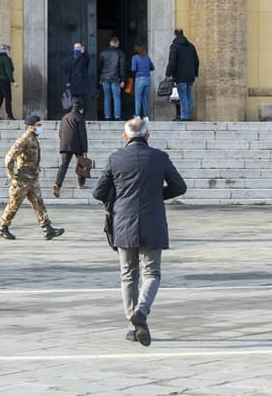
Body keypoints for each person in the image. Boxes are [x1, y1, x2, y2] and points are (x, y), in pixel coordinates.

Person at [93, 117, 187, 347]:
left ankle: (132, 325)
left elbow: (98, 192)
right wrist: (156, 194)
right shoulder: (159, 157)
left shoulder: (115, 158)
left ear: (125, 136)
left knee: (128, 274)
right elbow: (179, 187)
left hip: (124, 221)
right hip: (152, 220)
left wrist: (120, 197)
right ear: (147, 136)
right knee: (152, 273)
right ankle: (142, 311)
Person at [0, 115, 64, 241]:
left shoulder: (33, 139)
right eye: (38, 125)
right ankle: (3, 227)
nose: (40, 127)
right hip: (22, 179)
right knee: (14, 204)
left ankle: (47, 228)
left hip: (32, 178)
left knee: (38, 202)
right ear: (31, 126)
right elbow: (9, 157)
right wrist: (11, 174)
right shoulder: (24, 139)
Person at [52, 99, 89, 198]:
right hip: (77, 145)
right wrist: (85, 149)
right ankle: (81, 184)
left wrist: (63, 142)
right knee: (81, 164)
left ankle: (57, 184)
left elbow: (60, 132)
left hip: (65, 145)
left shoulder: (65, 117)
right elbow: (82, 134)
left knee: (64, 165)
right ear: (80, 108)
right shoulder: (80, 117)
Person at [165, 29, 200, 121]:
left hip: (180, 75)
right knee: (189, 95)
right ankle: (190, 114)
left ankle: (184, 116)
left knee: (183, 96)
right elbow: (196, 60)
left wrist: (168, 74)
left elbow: (172, 61)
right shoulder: (191, 46)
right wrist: (195, 72)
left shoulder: (174, 46)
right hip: (190, 75)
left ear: (175, 35)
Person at [99, 36, 127, 121]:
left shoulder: (103, 52)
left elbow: (100, 66)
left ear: (110, 43)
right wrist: (123, 80)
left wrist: (100, 78)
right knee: (116, 98)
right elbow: (122, 67)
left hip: (105, 78)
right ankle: (117, 116)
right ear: (117, 43)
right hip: (116, 79)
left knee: (107, 98)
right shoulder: (120, 53)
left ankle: (107, 116)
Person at [131, 44, 156, 119]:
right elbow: (152, 67)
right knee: (145, 98)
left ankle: (137, 115)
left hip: (139, 79)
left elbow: (133, 69)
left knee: (138, 97)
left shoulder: (135, 57)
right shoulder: (147, 57)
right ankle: (146, 116)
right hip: (147, 78)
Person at [65, 42, 92, 108]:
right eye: (75, 47)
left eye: (78, 47)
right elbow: (70, 70)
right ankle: (75, 112)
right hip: (73, 81)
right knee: (74, 99)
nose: (76, 49)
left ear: (82, 48)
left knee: (82, 99)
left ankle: (83, 112)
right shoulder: (72, 57)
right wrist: (68, 81)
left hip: (81, 82)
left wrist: (83, 52)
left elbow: (87, 60)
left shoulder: (84, 57)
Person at [0, 44, 16, 120]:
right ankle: (9, 115)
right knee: (8, 98)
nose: (9, 51)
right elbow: (9, 70)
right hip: (4, 80)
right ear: (6, 51)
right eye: (8, 50)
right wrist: (13, 81)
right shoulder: (6, 59)